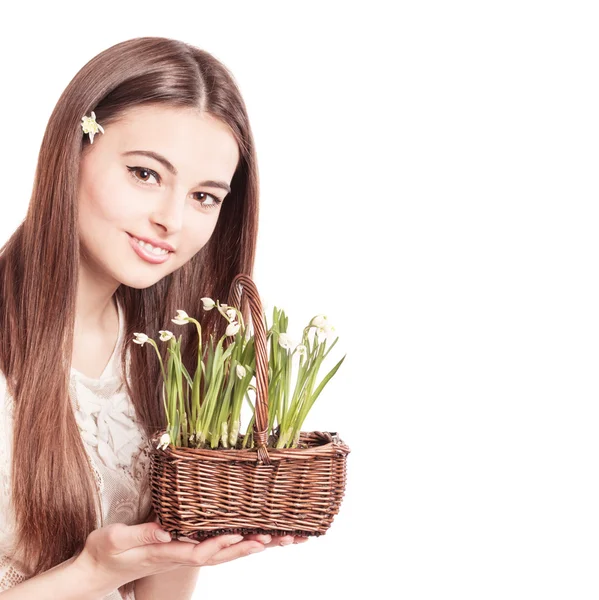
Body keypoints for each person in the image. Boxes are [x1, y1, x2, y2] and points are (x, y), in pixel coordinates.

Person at [0, 36, 307, 600]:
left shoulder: (166, 353)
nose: (172, 219)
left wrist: (193, 536)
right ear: (72, 151)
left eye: (205, 197)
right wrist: (92, 572)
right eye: (145, 174)